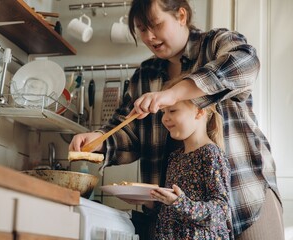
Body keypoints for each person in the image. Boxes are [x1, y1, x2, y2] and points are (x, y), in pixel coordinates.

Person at [69, 0, 284, 239]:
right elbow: (128, 131)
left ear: (181, 16)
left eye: (156, 24)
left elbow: (245, 63)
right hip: (176, 219)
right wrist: (99, 140)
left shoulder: (214, 45)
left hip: (243, 196)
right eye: (142, 29)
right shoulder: (144, 76)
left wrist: (173, 94)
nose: (150, 37)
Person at [150, 80, 233, 239]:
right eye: (163, 112)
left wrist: (180, 203)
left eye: (172, 111)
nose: (165, 119)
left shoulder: (211, 154)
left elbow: (221, 211)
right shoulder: (175, 158)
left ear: (199, 112)